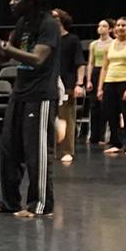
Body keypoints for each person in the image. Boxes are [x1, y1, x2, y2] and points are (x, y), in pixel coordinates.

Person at [0, 0, 61, 217]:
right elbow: (5, 57)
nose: (11, 2)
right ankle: (10, 202)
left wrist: (3, 43)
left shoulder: (49, 24)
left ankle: (40, 205)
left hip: (41, 95)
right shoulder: (22, 23)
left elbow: (37, 58)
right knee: (9, 149)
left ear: (31, 0)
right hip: (20, 93)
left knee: (37, 152)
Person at [97, 17, 126, 157]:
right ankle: (116, 143)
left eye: (123, 25)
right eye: (118, 25)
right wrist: (100, 87)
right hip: (110, 82)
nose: (120, 28)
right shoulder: (110, 45)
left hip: (125, 81)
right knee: (111, 114)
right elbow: (104, 68)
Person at [51, 10, 87, 164]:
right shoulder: (49, 40)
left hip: (67, 84)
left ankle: (66, 150)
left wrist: (79, 83)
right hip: (49, 84)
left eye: (55, 17)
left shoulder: (72, 40)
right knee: (50, 119)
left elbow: (80, 63)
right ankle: (51, 149)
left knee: (66, 118)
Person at [85, 19, 113, 145]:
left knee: (105, 106)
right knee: (94, 105)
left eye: (104, 26)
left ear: (109, 29)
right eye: (99, 25)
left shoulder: (113, 43)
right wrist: (89, 80)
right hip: (96, 72)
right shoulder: (94, 44)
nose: (101, 28)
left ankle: (103, 135)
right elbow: (90, 62)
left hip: (108, 72)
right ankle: (93, 136)